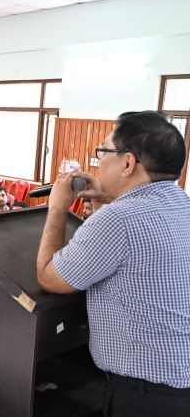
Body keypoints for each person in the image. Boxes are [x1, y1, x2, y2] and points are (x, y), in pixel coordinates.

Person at [37, 111, 190, 416]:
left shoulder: (118, 219)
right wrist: (101, 201)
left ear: (128, 163)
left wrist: (56, 208)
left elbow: (50, 277)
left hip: (146, 397)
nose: (98, 162)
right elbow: (115, 257)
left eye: (102, 152)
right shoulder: (182, 204)